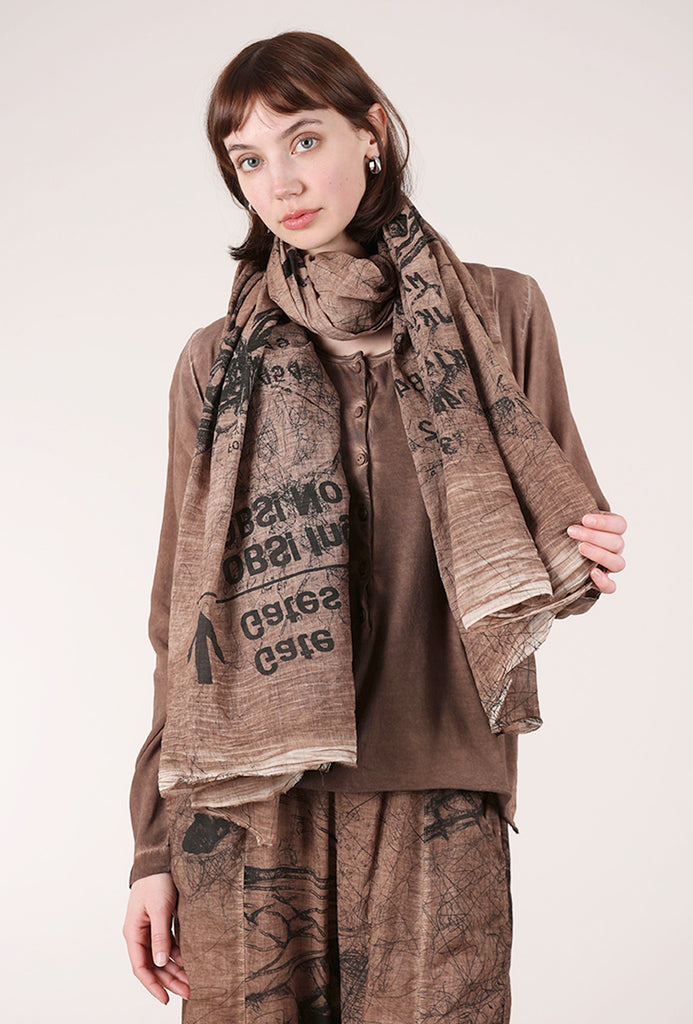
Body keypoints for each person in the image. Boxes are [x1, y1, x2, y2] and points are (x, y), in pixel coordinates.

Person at [123, 30, 627, 1024]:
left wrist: (586, 555)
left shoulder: (500, 315)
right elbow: (180, 628)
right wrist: (151, 848)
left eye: (304, 140)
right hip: (245, 798)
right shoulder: (214, 364)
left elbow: (550, 542)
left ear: (371, 134)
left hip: (439, 787)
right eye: (248, 160)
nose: (279, 182)